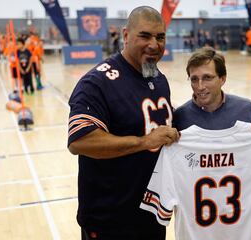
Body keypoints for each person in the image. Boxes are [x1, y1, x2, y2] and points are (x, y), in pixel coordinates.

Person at [140, 47, 251, 240]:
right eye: (194, 79)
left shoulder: (246, 110)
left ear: (223, 78)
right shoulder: (180, 118)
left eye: (207, 78)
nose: (200, 86)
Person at [68, 6, 179, 240]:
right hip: (110, 223)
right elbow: (80, 141)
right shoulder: (97, 82)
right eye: (145, 36)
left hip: (152, 215)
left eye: (160, 37)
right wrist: (143, 142)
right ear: (126, 35)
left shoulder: (158, 79)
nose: (154, 44)